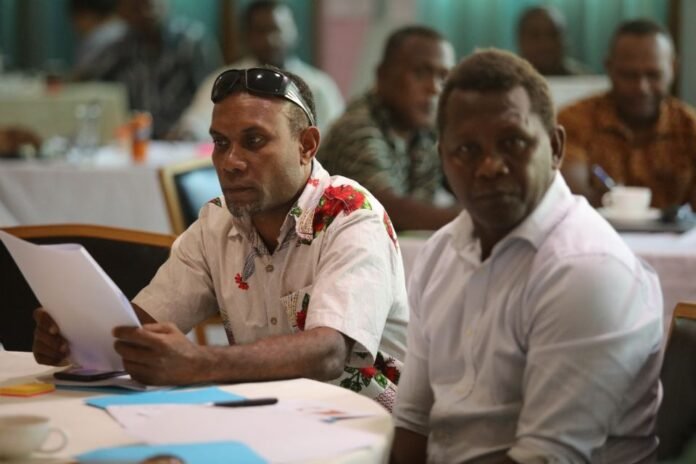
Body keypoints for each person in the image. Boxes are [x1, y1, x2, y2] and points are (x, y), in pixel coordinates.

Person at [32, 67, 408, 410]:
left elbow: (328, 352)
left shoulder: (351, 215)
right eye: (221, 143)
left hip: (367, 431)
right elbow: (143, 327)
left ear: (306, 145)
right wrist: (79, 339)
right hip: (267, 420)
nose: (230, 162)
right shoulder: (217, 223)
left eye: (254, 141)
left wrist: (199, 363)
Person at [391, 50, 663, 463]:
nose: (489, 166)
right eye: (466, 149)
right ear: (443, 159)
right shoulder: (442, 250)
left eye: (513, 142)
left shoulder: (586, 269)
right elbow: (413, 421)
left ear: (555, 147)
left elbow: (544, 457)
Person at [317, 26, 459, 231]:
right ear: (382, 75)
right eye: (421, 73)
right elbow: (385, 210)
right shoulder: (357, 127)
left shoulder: (427, 130)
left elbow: (463, 181)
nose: (435, 88)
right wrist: (472, 217)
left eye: (443, 78)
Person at [559, 18, 696, 209]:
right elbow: (572, 201)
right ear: (609, 68)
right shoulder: (574, 121)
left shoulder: (690, 128)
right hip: (597, 228)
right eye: (629, 75)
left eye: (653, 75)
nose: (642, 87)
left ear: (673, 69)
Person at [176, 0, 344, 139]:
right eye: (261, 31)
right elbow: (196, 124)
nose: (270, 39)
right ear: (245, 37)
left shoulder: (319, 85)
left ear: (294, 32)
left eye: (277, 30)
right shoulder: (226, 81)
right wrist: (189, 133)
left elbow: (337, 136)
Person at [77, 0, 222, 138]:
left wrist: (190, 128)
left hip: (183, 138)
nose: (146, 7)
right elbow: (82, 84)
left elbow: (214, 95)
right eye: (137, 4)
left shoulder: (191, 42)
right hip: (136, 138)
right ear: (122, 9)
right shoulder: (117, 48)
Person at [516, 6, 588, 76]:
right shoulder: (510, 79)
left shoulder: (584, 78)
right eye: (535, 35)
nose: (545, 44)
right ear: (520, 40)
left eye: (553, 34)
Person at [68, 0, 126, 81]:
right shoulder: (124, 29)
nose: (74, 26)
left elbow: (81, 77)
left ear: (86, 15)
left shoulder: (97, 38)